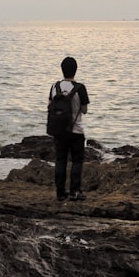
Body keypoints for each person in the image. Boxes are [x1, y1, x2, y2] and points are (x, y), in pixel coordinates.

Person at [48, 56, 90, 201]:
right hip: (76, 130)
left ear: (62, 70)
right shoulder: (80, 88)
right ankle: (75, 192)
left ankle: (60, 193)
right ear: (75, 70)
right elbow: (84, 110)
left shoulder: (54, 87)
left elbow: (49, 105)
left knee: (60, 160)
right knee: (77, 161)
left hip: (59, 131)